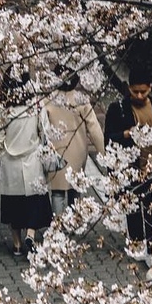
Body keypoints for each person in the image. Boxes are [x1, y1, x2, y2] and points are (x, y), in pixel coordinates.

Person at [104, 63, 152, 251]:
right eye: (135, 92)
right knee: (133, 210)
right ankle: (136, 245)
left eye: (143, 91)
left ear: (150, 87)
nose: (140, 96)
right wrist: (125, 134)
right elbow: (108, 139)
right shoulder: (118, 109)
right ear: (129, 89)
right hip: (130, 169)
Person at [0, 91, 53, 256]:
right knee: (35, 201)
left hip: (10, 161)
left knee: (13, 204)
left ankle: (17, 243)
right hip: (31, 159)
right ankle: (31, 233)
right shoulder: (36, 104)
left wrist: (1, 154)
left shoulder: (2, 108)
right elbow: (45, 130)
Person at [44, 71, 105, 214]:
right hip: (78, 150)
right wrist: (103, 152)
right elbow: (94, 128)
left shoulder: (48, 100)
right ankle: (75, 221)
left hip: (56, 151)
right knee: (75, 189)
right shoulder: (81, 100)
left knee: (57, 191)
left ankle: (58, 225)